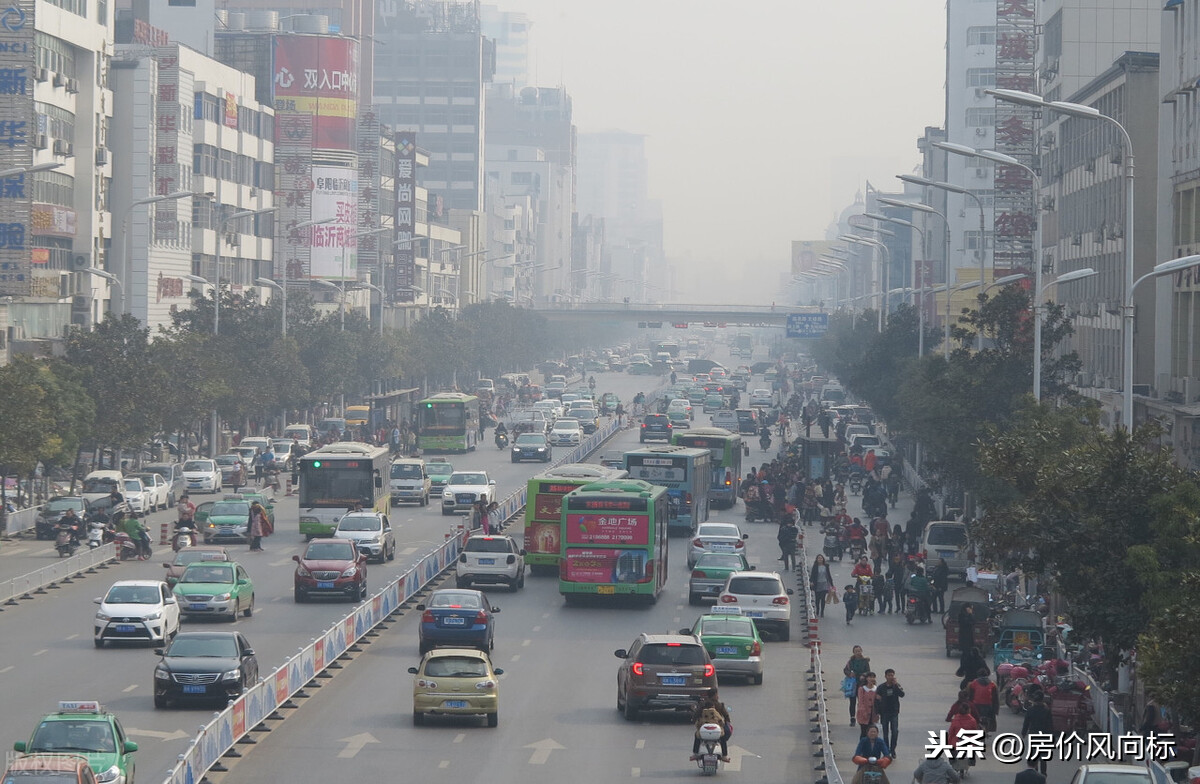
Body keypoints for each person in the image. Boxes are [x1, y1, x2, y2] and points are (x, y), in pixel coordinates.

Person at [689, 690, 731, 762]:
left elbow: (696, 715)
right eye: (717, 694)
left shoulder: (702, 704)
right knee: (723, 738)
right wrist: (726, 723)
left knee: (697, 736)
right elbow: (725, 717)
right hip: (716, 729)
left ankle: (695, 754)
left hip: (704, 728)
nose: (718, 696)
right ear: (714, 695)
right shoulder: (720, 705)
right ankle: (724, 755)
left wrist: (694, 721)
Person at [1020, 692, 1054, 776]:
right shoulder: (1046, 710)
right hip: (1044, 736)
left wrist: (1023, 733)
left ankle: (1035, 773)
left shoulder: (1030, 710)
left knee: (1034, 755)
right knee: (1043, 758)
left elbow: (1026, 723)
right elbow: (1050, 725)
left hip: (1034, 735)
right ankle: (1043, 774)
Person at [876, 669, 904, 756]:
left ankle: (893, 749)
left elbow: (902, 694)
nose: (890, 677)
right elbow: (876, 701)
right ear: (885, 676)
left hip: (894, 712)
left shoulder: (896, 686)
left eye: (892, 675)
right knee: (885, 733)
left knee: (895, 731)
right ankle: (886, 750)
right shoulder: (881, 687)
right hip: (884, 713)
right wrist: (877, 712)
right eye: (889, 675)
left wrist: (896, 685)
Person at [967, 670, 999, 739]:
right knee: (990, 718)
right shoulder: (992, 684)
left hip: (976, 705)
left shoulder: (973, 683)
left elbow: (970, 696)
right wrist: (996, 710)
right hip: (988, 706)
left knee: (974, 719)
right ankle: (987, 730)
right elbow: (995, 698)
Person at [844, 646, 871, 726]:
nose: (858, 652)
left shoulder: (865, 661)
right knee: (852, 702)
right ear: (854, 652)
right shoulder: (851, 661)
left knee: (861, 702)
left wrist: (864, 675)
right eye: (856, 651)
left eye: (859, 651)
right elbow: (845, 670)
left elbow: (868, 672)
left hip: (862, 684)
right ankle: (852, 718)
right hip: (852, 684)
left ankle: (861, 718)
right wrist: (849, 674)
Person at [855, 671, 879, 737]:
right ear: (866, 678)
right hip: (864, 714)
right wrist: (863, 712)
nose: (872, 679)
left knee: (871, 733)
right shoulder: (862, 689)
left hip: (873, 714)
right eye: (870, 677)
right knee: (864, 732)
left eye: (873, 677)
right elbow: (860, 702)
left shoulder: (876, 689)